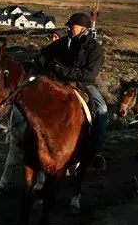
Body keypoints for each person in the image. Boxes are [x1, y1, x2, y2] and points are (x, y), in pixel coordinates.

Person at [35, 12, 108, 170]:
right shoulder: (62, 42)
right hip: (59, 81)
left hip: (84, 84)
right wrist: (43, 64)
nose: (68, 28)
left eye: (71, 26)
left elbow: (89, 73)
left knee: (102, 109)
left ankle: (96, 151)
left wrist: (60, 69)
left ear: (83, 28)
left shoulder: (94, 48)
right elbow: (44, 55)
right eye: (68, 26)